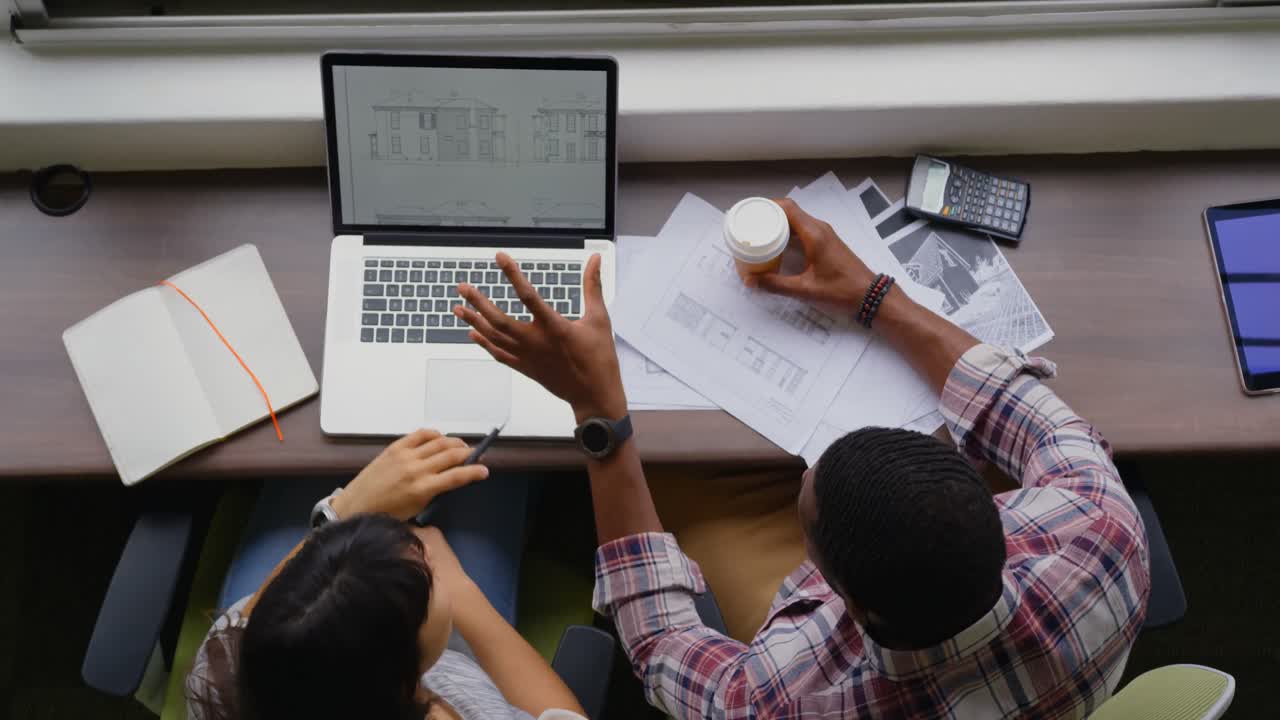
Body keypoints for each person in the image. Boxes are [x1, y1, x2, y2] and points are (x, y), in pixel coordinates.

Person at [455, 199, 1151, 718]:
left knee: (674, 478)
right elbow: (1006, 395)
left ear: (847, 601)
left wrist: (597, 412)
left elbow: (662, 643)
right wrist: (873, 296)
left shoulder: (779, 701)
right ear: (990, 506)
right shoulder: (1104, 528)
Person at [185, 431, 587, 720]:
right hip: (472, 655)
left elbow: (252, 619)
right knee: (501, 456)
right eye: (425, 569)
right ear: (406, 682)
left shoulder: (225, 679)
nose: (423, 549)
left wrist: (340, 512)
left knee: (312, 446)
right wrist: (461, 590)